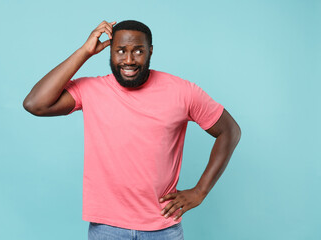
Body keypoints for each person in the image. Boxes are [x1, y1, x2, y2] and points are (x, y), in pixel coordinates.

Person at [23, 20, 241, 240]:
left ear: (150, 52)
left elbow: (229, 131)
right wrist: (84, 52)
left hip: (163, 228)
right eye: (120, 51)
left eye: (138, 51)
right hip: (107, 228)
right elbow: (36, 104)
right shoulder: (91, 90)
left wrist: (200, 191)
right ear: (109, 51)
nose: (129, 60)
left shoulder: (183, 92)